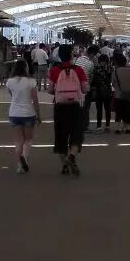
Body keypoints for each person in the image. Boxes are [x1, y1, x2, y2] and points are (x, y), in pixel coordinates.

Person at [49, 44, 88, 175]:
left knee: (61, 136)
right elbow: (85, 89)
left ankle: (64, 165)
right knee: (76, 134)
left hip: (60, 106)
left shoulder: (54, 70)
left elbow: (50, 89)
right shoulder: (79, 70)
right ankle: (71, 157)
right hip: (75, 106)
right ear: (72, 55)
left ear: (59, 56)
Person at [6, 59, 40, 174]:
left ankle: (19, 165)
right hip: (28, 113)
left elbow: (12, 96)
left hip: (14, 113)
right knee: (28, 139)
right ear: (26, 67)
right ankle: (24, 158)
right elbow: (35, 99)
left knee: (18, 141)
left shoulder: (10, 81)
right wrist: (39, 115)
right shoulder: (31, 81)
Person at [112, 52, 130, 134]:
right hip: (129, 94)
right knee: (128, 111)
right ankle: (128, 127)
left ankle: (118, 128)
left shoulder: (115, 72)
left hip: (118, 95)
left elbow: (113, 84)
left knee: (118, 111)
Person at [91, 52, 113, 132]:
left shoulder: (97, 69)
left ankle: (101, 126)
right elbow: (111, 80)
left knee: (103, 109)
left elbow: (93, 81)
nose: (103, 63)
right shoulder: (109, 69)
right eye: (102, 61)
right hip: (105, 91)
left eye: (103, 61)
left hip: (100, 91)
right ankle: (105, 125)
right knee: (105, 109)